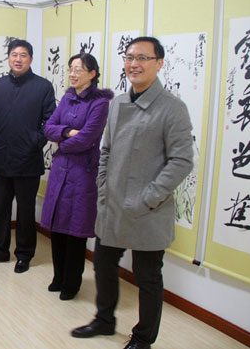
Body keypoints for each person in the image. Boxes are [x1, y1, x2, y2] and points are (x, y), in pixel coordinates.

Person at [71, 37, 194, 349]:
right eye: (129, 57)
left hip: (148, 210)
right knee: (103, 265)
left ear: (159, 63)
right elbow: (106, 150)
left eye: (142, 58)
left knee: (147, 277)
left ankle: (143, 338)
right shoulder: (118, 103)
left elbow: (181, 161)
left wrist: (149, 197)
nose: (133, 64)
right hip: (112, 204)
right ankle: (104, 319)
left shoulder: (172, 108)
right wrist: (103, 188)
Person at [41, 53, 113, 301]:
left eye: (78, 69)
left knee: (75, 229)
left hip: (83, 172)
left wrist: (62, 141)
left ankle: (72, 283)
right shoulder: (67, 97)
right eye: (71, 69)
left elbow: (88, 138)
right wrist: (68, 132)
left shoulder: (100, 103)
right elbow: (48, 128)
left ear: (92, 74)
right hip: (60, 169)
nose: (72, 74)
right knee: (57, 227)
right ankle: (58, 277)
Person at [0, 39, 56, 273]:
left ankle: (24, 254)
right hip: (1, 157)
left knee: (25, 212)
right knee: (0, 209)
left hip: (28, 160)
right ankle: (0, 250)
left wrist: (34, 141)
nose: (18, 59)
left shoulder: (43, 86)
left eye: (23, 55)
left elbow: (50, 121)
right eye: (14, 54)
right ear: (8, 58)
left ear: (31, 59)